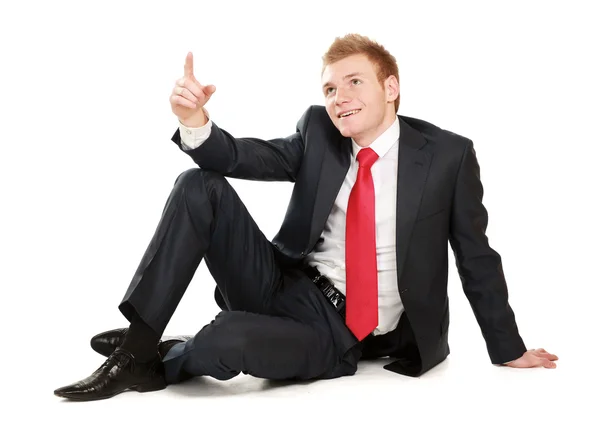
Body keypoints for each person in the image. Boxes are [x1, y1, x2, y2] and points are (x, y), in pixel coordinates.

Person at [54, 33, 558, 401]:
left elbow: (476, 254)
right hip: (283, 284)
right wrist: (197, 126)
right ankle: (138, 354)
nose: (340, 99)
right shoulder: (320, 134)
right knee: (197, 186)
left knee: (228, 337)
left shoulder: (447, 156)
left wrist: (506, 346)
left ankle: (168, 355)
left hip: (337, 333)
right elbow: (244, 158)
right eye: (331, 89)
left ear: (391, 87)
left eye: (354, 82)